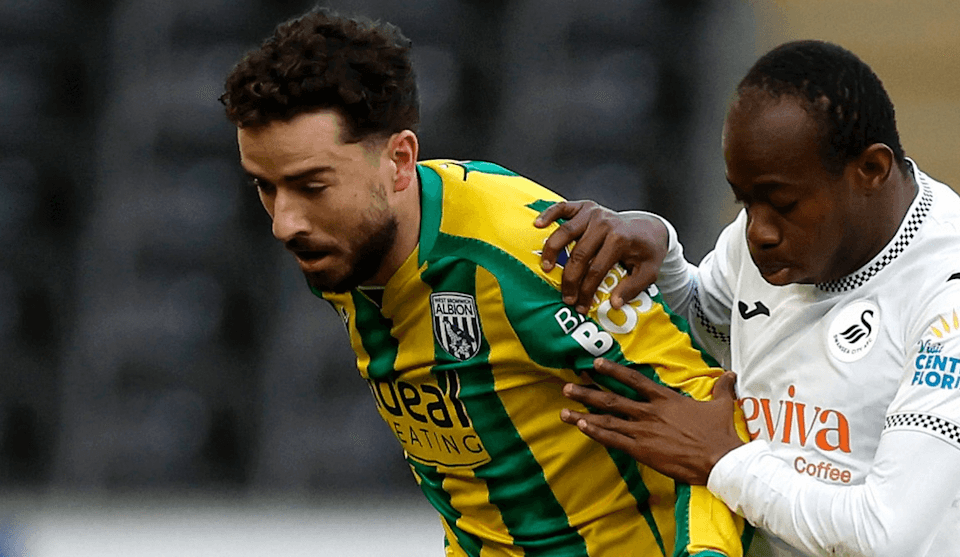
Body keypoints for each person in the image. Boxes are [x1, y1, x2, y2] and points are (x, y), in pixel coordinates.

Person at [220, 8, 751, 557]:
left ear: (399, 160)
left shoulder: (527, 255)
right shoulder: (345, 247)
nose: (284, 223)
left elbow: (707, 414)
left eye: (312, 186)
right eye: (265, 187)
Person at [536, 40, 960, 557]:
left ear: (871, 169)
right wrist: (664, 263)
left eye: (783, 203)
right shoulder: (772, 241)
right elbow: (711, 334)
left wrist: (723, 462)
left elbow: (887, 538)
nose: (758, 231)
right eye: (745, 202)